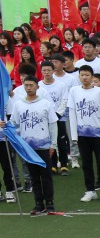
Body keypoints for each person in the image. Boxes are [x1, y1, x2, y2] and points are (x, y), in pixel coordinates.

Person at [2, 76, 58, 214]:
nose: (28, 87)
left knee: (46, 176)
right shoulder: (19, 104)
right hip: (27, 147)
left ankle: (49, 203)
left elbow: (53, 125)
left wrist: (53, 144)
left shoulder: (45, 103)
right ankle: (38, 203)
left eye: (31, 85)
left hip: (44, 146)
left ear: (37, 86)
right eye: (26, 85)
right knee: (33, 176)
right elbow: (14, 123)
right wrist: (5, 125)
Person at [66, 64, 100, 202]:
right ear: (79, 76)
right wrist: (74, 135)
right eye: (82, 75)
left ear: (92, 77)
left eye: (87, 75)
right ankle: (90, 190)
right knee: (86, 164)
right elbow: (72, 113)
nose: (84, 77)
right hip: (82, 135)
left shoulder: (99, 92)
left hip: (98, 134)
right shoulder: (74, 91)